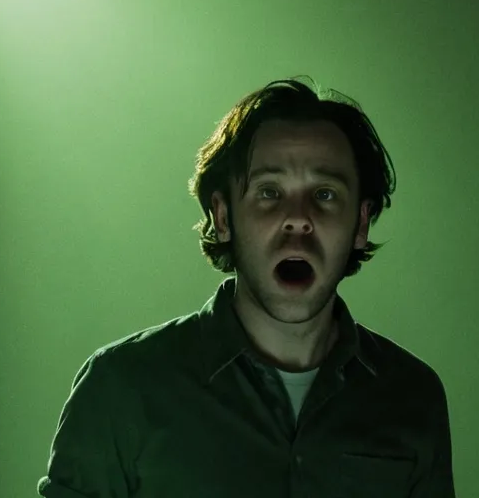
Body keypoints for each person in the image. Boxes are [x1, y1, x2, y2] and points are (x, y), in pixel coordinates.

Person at [37, 76, 456, 497]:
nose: (298, 218)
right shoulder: (120, 388)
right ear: (223, 218)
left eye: (325, 194)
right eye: (269, 192)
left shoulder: (412, 396)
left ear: (360, 224)